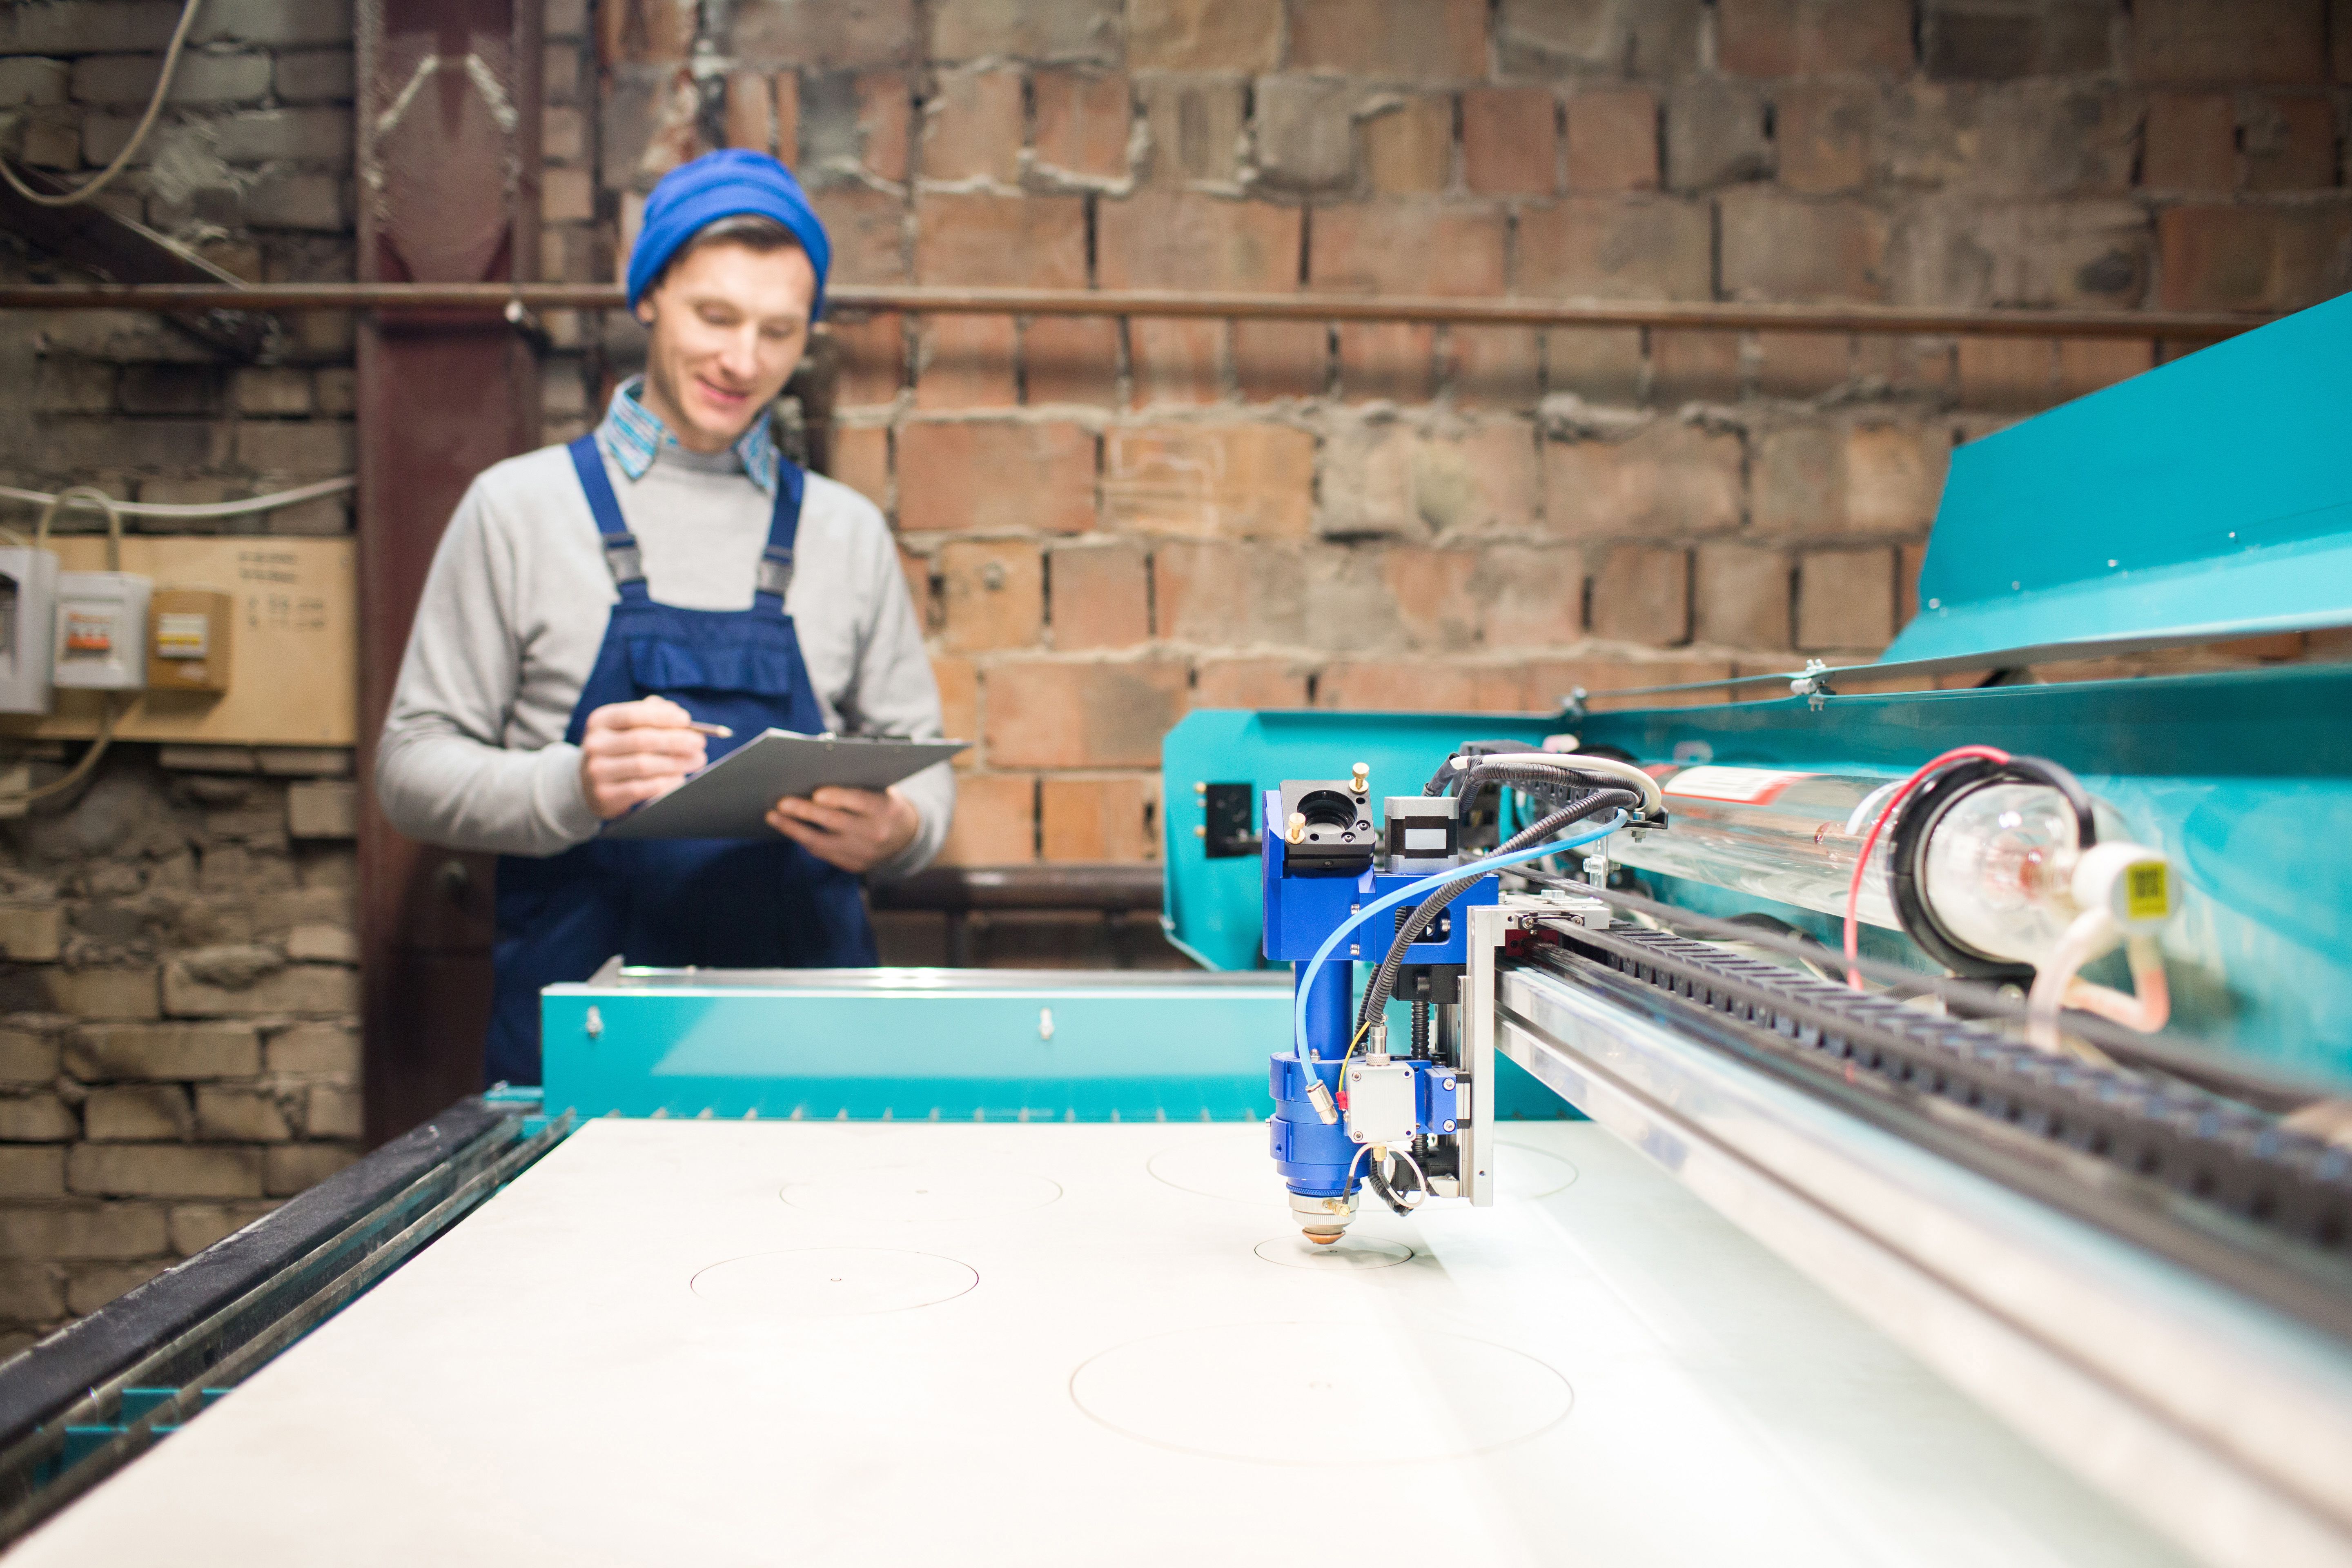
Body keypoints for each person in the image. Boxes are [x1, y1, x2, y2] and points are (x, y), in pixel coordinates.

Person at [376, 149, 951, 1086]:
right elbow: (410, 769)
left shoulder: (844, 532)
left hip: (816, 1054)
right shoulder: (518, 510)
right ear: (647, 296)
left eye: (778, 331)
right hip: (584, 1061)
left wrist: (894, 833)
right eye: (715, 317)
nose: (743, 360)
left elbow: (924, 775)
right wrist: (571, 788)